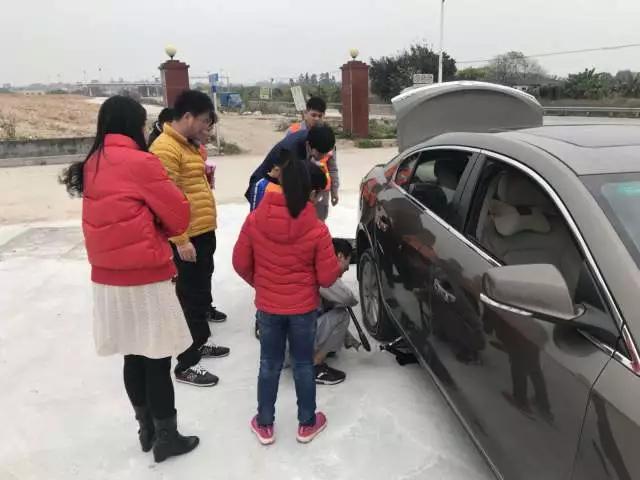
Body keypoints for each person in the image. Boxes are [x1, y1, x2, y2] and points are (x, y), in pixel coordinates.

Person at [59, 95, 199, 463]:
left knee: (132, 355)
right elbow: (178, 217)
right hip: (145, 277)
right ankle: (167, 436)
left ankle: (146, 429)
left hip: (107, 279)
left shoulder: (92, 163)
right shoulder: (141, 162)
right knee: (157, 358)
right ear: (133, 126)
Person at [233, 151, 341, 446]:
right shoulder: (317, 229)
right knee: (303, 364)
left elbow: (240, 263)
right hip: (303, 308)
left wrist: (262, 284)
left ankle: (264, 423)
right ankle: (307, 423)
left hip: (268, 307)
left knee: (269, 363)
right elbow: (327, 277)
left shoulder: (255, 220)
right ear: (311, 191)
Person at [150, 90, 230, 388]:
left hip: (201, 231)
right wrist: (181, 239)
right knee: (187, 297)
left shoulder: (187, 145)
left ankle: (199, 342)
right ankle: (186, 364)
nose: (207, 127)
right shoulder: (165, 148)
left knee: (198, 293)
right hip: (187, 236)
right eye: (205, 121)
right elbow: (164, 199)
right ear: (187, 117)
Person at [245, 124, 336, 207]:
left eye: (326, 153)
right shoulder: (290, 152)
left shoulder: (314, 138)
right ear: (308, 145)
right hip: (264, 188)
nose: (323, 157)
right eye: (320, 153)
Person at [314, 238, 359, 385]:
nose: (347, 269)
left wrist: (346, 338)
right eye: (348, 262)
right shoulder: (323, 273)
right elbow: (347, 298)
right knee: (342, 314)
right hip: (294, 344)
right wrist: (352, 301)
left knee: (329, 305)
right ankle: (314, 366)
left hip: (278, 343)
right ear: (339, 256)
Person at [286, 97, 340, 221]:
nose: (316, 119)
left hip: (322, 190)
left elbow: (333, 167)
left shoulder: (327, 135)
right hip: (299, 188)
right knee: (298, 222)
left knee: (318, 222)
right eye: (313, 115)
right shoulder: (293, 132)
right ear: (306, 113)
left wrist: (334, 190)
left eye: (320, 116)